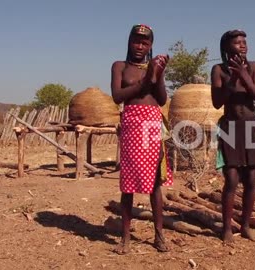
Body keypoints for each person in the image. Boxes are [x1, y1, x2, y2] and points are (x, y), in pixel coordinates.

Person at [111, 24, 173, 254]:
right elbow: (118, 96)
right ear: (129, 41)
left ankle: (159, 236)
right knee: (128, 184)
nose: (140, 45)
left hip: (152, 124)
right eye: (136, 41)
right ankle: (125, 238)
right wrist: (145, 80)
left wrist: (156, 75)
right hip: (132, 123)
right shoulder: (120, 66)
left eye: (145, 42)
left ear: (150, 45)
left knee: (155, 183)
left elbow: (162, 99)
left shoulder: (154, 68)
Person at [210, 29, 255, 243]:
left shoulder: (254, 67)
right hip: (230, 127)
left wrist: (244, 75)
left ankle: (245, 226)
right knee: (232, 179)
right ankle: (226, 228)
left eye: (244, 41)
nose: (242, 45)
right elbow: (217, 102)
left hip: (251, 125)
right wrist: (232, 79)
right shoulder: (218, 70)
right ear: (226, 47)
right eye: (237, 42)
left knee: (251, 179)